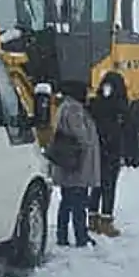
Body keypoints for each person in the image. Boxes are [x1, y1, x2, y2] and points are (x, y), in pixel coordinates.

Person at [49, 80, 101, 248]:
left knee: (67, 201)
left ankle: (62, 235)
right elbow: (81, 135)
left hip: (68, 163)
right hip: (77, 164)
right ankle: (81, 236)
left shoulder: (64, 106)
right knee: (79, 202)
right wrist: (89, 141)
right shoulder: (74, 109)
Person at [88, 72, 130, 237]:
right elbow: (127, 128)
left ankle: (92, 218)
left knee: (96, 184)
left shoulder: (96, 103)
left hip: (97, 149)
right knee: (109, 186)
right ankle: (106, 221)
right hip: (112, 150)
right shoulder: (121, 105)